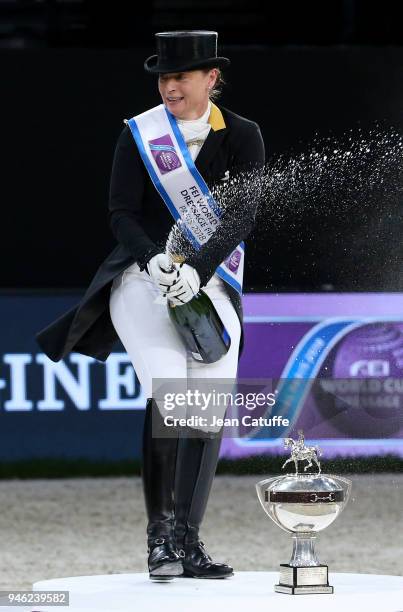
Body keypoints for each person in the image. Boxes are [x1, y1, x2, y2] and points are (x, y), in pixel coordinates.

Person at [36, 30, 265, 581]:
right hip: (143, 282)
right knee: (170, 390)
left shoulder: (243, 134)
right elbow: (120, 211)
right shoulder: (140, 136)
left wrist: (198, 270)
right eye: (163, 77)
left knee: (207, 407)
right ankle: (159, 541)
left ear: (211, 79)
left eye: (180, 77)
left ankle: (189, 543)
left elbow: (242, 215)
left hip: (207, 285)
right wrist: (153, 262)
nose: (169, 87)